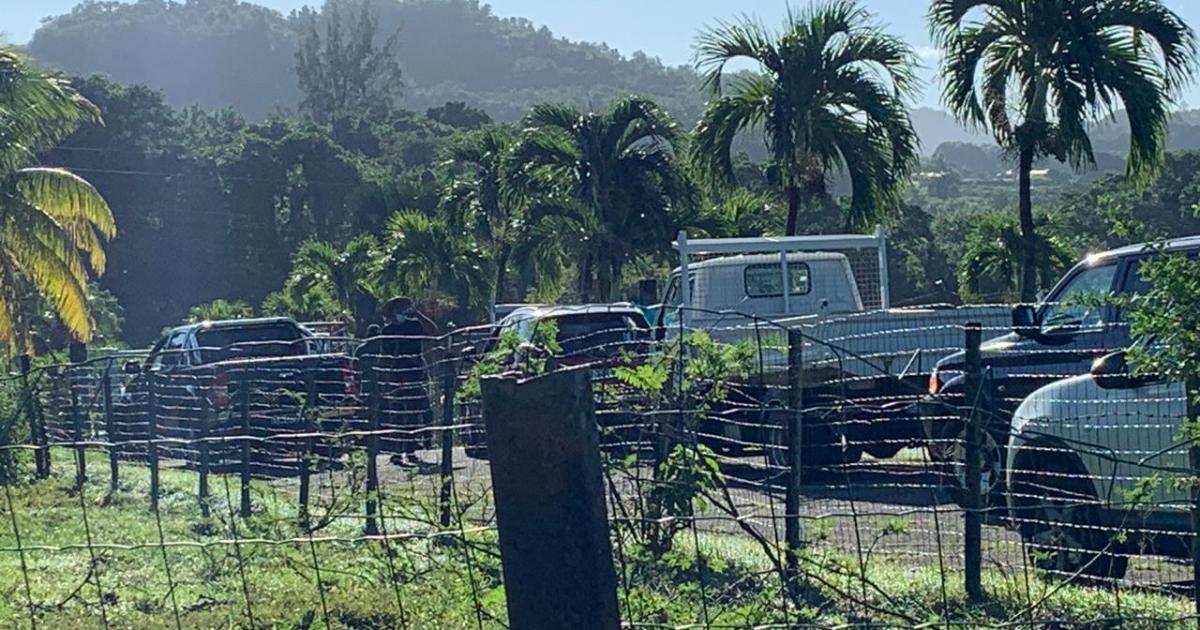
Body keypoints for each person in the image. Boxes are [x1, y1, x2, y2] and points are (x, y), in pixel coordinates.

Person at [372, 297, 438, 466]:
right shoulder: (387, 331)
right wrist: (386, 379)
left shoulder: (414, 325)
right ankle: (396, 451)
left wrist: (419, 314)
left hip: (415, 374)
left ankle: (411, 449)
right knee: (399, 415)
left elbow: (432, 331)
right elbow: (385, 356)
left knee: (418, 412)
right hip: (397, 376)